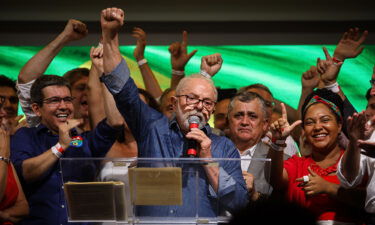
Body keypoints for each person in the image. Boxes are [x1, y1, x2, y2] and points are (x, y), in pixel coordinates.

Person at [99, 7, 247, 217]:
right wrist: (110, 35)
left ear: (213, 109)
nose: (198, 106)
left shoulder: (223, 147)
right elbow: (121, 86)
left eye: (206, 102)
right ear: (175, 102)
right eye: (192, 98)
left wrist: (208, 160)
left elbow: (240, 205)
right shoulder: (151, 127)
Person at [10, 75, 122, 225]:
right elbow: (25, 173)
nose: (63, 106)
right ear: (37, 109)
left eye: (68, 100)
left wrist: (106, 75)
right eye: (54, 100)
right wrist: (60, 146)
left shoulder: (87, 141)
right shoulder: (25, 136)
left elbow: (115, 121)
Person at [269, 88, 364, 224]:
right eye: (309, 122)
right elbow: (274, 180)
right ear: (304, 131)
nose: (317, 127)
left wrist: (328, 187)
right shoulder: (297, 164)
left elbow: (368, 200)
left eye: (325, 120)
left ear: (339, 125)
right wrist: (277, 141)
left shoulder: (355, 162)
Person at [17, 19, 89, 130]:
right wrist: (65, 37)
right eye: (81, 88)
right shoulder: (43, 125)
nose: (87, 93)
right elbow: (26, 78)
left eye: (91, 89)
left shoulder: (110, 127)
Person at [0, 95, 29, 224]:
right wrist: (4, 152)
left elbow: (23, 207)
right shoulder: (4, 150)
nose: (4, 111)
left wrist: (5, 215)